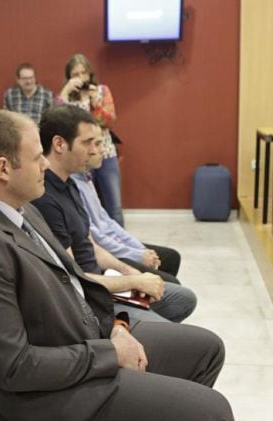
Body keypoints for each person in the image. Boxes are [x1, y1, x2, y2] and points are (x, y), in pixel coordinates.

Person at [0, 109, 234, 421]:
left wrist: (117, 327)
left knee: (205, 349)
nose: (45, 164)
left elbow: (76, 282)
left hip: (77, 346)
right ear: (3, 168)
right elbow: (16, 367)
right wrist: (111, 354)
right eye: (37, 155)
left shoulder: (22, 208)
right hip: (41, 401)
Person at [33, 105, 196, 323]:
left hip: (105, 283)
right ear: (59, 144)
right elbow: (72, 279)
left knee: (183, 298)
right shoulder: (46, 199)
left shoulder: (70, 183)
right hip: (92, 299)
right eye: (87, 142)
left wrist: (128, 271)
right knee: (186, 334)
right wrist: (132, 283)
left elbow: (91, 245)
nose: (94, 151)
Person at [73, 124, 182, 282]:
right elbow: (97, 238)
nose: (102, 150)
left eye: (101, 143)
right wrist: (137, 255)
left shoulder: (86, 178)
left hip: (111, 245)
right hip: (103, 254)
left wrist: (141, 249)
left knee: (171, 257)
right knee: (172, 283)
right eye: (95, 143)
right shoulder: (74, 185)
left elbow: (107, 221)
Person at [58, 53, 124, 226]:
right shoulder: (68, 96)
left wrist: (95, 103)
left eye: (83, 73)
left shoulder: (102, 91)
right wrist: (66, 91)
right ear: (69, 77)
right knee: (86, 205)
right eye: (75, 74)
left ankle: (123, 247)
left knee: (114, 205)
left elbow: (110, 121)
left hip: (105, 153)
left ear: (90, 74)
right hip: (78, 157)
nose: (81, 78)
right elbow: (56, 119)